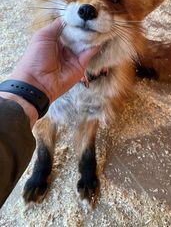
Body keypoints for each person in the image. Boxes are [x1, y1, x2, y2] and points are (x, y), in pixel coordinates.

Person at [0, 19, 99, 207]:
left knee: (93, 113)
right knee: (48, 118)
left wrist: (27, 90)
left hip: (96, 72)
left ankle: (88, 166)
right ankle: (43, 165)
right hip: (62, 66)